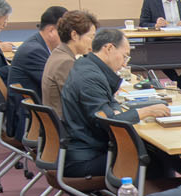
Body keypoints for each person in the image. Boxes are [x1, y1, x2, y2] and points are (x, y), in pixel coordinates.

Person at [58, 26, 169, 180]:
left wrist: (116, 112)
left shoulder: (87, 66)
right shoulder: (90, 78)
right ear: (109, 48)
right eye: (124, 56)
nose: (124, 64)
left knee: (152, 152)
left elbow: (111, 103)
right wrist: (146, 111)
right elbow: (109, 122)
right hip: (84, 158)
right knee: (157, 161)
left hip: (87, 148)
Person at [3, 6, 62, 135]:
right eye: (65, 32)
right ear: (51, 31)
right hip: (29, 122)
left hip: (33, 113)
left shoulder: (38, 44)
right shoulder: (34, 52)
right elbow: (56, 86)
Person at [42, 9, 94, 112]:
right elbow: (80, 99)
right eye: (90, 36)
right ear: (74, 35)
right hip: (65, 120)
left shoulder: (59, 52)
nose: (92, 42)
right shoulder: (65, 62)